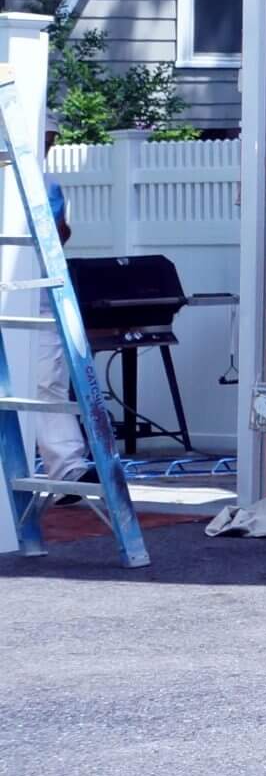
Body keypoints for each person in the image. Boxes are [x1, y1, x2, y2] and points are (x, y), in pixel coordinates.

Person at [32, 111, 96, 498]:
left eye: (51, 143)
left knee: (48, 382)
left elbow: (55, 238)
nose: (46, 149)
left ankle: (67, 471)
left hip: (39, 292)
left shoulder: (47, 184)